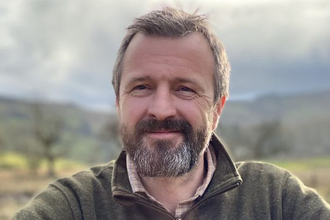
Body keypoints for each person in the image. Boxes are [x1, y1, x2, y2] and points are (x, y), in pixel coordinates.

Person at [14, 7, 330, 220]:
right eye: (141, 87)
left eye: (185, 89)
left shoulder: (276, 199)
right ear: (118, 102)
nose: (162, 109)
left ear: (217, 109)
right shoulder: (76, 205)